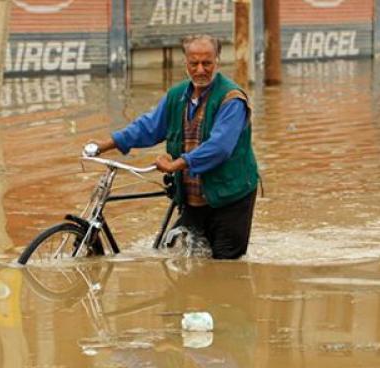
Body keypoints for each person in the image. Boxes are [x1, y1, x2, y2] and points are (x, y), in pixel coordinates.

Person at [87, 34, 259, 259]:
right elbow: (148, 127)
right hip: (192, 198)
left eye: (206, 63)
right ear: (185, 63)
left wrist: (176, 164)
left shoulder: (232, 98)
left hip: (230, 198)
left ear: (217, 61)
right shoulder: (177, 96)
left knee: (225, 266)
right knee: (177, 255)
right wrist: (107, 144)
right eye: (194, 63)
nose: (200, 70)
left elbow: (220, 146)